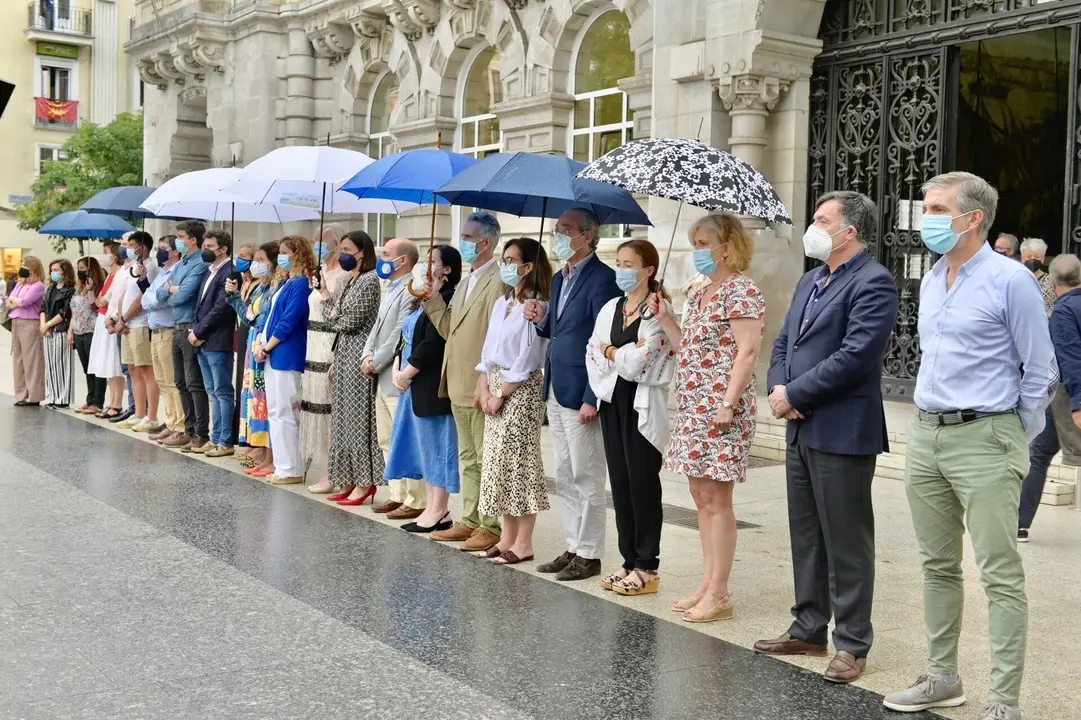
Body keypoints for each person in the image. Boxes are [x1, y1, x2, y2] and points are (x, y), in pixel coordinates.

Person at [884, 172, 1057, 720]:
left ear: (973, 217)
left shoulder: (1011, 280)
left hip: (986, 436)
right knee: (937, 565)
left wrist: (1010, 433)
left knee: (999, 573)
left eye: (937, 208)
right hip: (926, 434)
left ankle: (1003, 700)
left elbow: (1041, 369)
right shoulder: (934, 276)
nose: (926, 218)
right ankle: (942, 677)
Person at [756, 191, 899, 684]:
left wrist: (795, 392)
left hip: (842, 429)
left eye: (821, 219)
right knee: (807, 534)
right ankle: (809, 626)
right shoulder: (810, 279)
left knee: (847, 541)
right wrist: (778, 388)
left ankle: (852, 644)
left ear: (849, 231)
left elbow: (855, 355)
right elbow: (783, 342)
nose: (812, 227)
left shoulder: (874, 282)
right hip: (800, 425)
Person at [652, 213, 765, 624]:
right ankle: (708, 582)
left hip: (721, 409)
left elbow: (747, 351)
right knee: (700, 496)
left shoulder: (741, 290)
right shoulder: (700, 290)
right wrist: (667, 319)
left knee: (717, 499)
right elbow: (691, 349)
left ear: (727, 246)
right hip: (693, 406)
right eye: (695, 242)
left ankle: (719, 591)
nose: (697, 250)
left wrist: (728, 403)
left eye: (704, 243)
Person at [524, 208, 621, 582]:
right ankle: (573, 545)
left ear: (587, 236)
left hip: (582, 391)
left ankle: (590, 553)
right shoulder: (559, 277)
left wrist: (591, 396)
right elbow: (560, 328)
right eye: (556, 229)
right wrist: (541, 316)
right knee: (565, 474)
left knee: (587, 474)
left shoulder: (604, 279)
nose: (558, 235)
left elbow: (604, 340)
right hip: (555, 385)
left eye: (566, 230)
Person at [585, 239, 677, 596]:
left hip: (641, 407)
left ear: (648, 270)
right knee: (620, 484)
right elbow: (592, 351)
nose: (621, 270)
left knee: (642, 484)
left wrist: (611, 352)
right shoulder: (611, 307)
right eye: (619, 263)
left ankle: (647, 565)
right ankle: (628, 559)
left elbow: (642, 364)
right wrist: (617, 352)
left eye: (629, 264)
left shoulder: (658, 311)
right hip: (611, 401)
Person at [419, 211, 506, 552]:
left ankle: (490, 524)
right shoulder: (467, 281)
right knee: (468, 458)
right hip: (456, 380)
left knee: (486, 458)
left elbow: (497, 337)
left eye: (468, 238)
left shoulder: (497, 281)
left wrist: (490, 382)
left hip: (481, 382)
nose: (463, 243)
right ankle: (469, 518)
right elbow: (449, 330)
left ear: (486, 242)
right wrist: (433, 298)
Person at [469, 237, 552, 564]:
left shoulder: (537, 305)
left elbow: (529, 356)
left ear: (528, 266)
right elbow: (488, 350)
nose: (505, 265)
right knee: (497, 464)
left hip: (520, 389)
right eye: (503, 259)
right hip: (494, 383)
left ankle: (524, 542)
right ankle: (506, 537)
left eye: (511, 260)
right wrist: (484, 387)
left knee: (520, 464)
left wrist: (502, 393)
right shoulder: (502, 303)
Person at [395, 245, 462, 533]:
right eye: (426, 259)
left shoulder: (448, 298)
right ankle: (433, 507)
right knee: (427, 449)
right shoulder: (422, 297)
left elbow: (434, 342)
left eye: (433, 261)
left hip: (434, 382)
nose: (427, 264)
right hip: (416, 383)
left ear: (447, 269)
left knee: (439, 449)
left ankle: (439, 509)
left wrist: (408, 371)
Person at [1017, 253, 1081, 542]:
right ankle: (1018, 522)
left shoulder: (1063, 312)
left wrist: (1077, 403)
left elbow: (1069, 357)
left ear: (1052, 281)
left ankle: (1019, 523)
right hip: (1066, 396)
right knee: (1040, 452)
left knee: (1039, 456)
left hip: (1068, 395)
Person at [364, 237, 425, 519]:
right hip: (381, 375)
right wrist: (366, 356)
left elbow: (398, 333)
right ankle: (397, 494)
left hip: (396, 375)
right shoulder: (389, 287)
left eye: (387, 254)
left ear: (403, 260)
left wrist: (375, 363)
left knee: (404, 439)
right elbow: (377, 329)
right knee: (386, 438)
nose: (382, 259)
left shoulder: (412, 289)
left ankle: (416, 498)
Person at [322, 230, 384, 502]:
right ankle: (345, 478)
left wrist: (334, 316)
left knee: (358, 420)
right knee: (342, 420)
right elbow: (333, 316)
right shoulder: (349, 279)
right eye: (341, 249)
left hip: (359, 355)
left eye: (347, 249)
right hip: (344, 353)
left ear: (362, 252)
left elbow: (349, 322)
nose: (342, 254)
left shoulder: (370, 280)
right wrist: (327, 298)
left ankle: (364, 481)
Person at [254, 235, 314, 485]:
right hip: (273, 353)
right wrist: (260, 342)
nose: (280, 257)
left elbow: (289, 320)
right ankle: (282, 464)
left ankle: (292, 467)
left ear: (297, 255)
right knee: (276, 412)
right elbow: (269, 316)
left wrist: (268, 345)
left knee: (287, 412)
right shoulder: (287, 282)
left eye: (285, 252)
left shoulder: (302, 284)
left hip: (286, 353)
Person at [302, 224, 350, 493]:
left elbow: (338, 313)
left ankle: (334, 472)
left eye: (324, 241)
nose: (318, 245)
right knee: (315, 408)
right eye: (316, 240)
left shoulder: (343, 276)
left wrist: (324, 292)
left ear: (337, 244)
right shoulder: (319, 271)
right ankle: (324, 466)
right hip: (313, 343)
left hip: (329, 343)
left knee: (330, 412)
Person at [230, 242, 281, 476]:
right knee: (253, 397)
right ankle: (258, 445)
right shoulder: (261, 287)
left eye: (261, 260)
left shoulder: (275, 288)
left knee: (264, 399)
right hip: (253, 341)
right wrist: (234, 297)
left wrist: (257, 327)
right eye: (255, 260)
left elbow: (263, 318)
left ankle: (268, 452)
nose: (255, 264)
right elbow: (249, 316)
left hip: (263, 343)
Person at [161, 220, 210, 450]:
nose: (177, 240)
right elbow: (162, 292)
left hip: (189, 326)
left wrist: (172, 290)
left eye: (181, 236)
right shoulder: (181, 264)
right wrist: (171, 290)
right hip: (176, 326)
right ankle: (188, 430)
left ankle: (200, 432)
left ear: (192, 239)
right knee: (180, 381)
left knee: (193, 383)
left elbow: (183, 296)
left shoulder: (199, 263)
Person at [114, 231, 163, 433]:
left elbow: (142, 298)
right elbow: (124, 294)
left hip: (140, 324)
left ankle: (152, 416)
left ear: (142, 247)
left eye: (132, 245)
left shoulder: (150, 268)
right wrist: (120, 318)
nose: (127, 248)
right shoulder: (133, 267)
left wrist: (125, 318)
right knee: (133, 370)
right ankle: (139, 413)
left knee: (146, 370)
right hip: (127, 324)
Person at [142, 235, 184, 443]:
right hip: (156, 331)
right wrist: (156, 297)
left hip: (168, 330)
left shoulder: (177, 271)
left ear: (175, 251)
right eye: (158, 248)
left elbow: (163, 300)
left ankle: (179, 425)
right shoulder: (162, 273)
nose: (159, 252)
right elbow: (146, 297)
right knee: (161, 381)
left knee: (172, 380)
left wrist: (156, 298)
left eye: (163, 248)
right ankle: (170, 421)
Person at [87, 244, 126, 418]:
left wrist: (101, 299)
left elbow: (105, 300)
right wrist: (90, 290)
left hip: (111, 318)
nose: (104, 256)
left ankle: (117, 403)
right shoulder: (109, 275)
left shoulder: (118, 274)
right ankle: (111, 401)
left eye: (107, 253)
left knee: (113, 361)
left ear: (115, 255)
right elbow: (97, 302)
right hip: (102, 318)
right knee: (106, 362)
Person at [69, 257, 107, 415]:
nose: (80, 271)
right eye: (78, 268)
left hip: (92, 330)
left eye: (83, 268)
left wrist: (91, 288)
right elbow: (74, 311)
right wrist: (70, 330)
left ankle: (98, 401)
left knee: (95, 367)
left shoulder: (99, 286)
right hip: (78, 331)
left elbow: (95, 306)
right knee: (87, 368)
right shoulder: (79, 287)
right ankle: (90, 399)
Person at [7, 256, 47, 407]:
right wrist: (15, 302)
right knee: (18, 360)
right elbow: (9, 299)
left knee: (32, 360)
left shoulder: (38, 286)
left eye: (25, 265)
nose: (22, 267)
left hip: (30, 323)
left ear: (33, 267)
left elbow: (25, 301)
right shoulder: (20, 284)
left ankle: (34, 395)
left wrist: (15, 302)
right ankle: (21, 394)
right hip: (16, 322)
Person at [231, 242, 257, 447]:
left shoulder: (257, 284)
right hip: (241, 332)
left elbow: (248, 314)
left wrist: (234, 298)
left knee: (248, 381)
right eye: (239, 255)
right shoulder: (243, 280)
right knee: (240, 381)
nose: (240, 259)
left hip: (250, 331)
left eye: (245, 256)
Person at [41, 259, 76, 408]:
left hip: (61, 329)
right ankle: (53, 396)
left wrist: (48, 324)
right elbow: (43, 308)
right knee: (50, 365)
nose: (53, 273)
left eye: (56, 270)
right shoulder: (51, 288)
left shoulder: (70, 290)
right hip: (49, 331)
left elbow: (65, 312)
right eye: (52, 270)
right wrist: (43, 325)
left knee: (62, 365)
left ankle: (63, 398)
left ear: (64, 271)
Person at [1019, 237, 1054, 317]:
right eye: (1029, 256)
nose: (1033, 259)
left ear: (1043, 259)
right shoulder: (1016, 279)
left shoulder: (1051, 281)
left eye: (1037, 257)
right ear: (1022, 258)